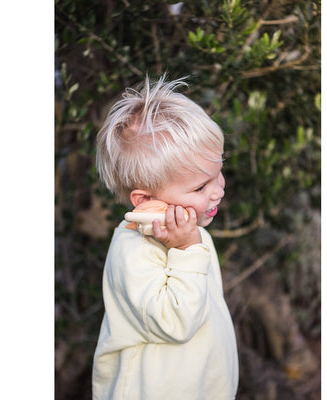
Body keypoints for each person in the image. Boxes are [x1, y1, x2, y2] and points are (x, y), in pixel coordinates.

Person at [93, 76, 239, 399]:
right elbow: (176, 322)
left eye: (219, 171)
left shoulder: (195, 237)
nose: (219, 190)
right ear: (145, 201)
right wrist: (187, 250)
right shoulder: (134, 252)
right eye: (201, 187)